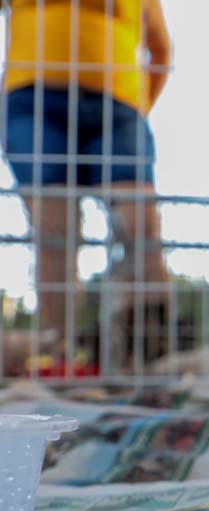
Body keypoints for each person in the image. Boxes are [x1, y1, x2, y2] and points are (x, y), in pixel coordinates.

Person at [1, 0, 171, 367]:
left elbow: (161, 48)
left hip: (119, 103)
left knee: (143, 229)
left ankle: (149, 356)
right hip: (34, 98)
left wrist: (139, 103)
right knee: (54, 231)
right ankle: (58, 353)